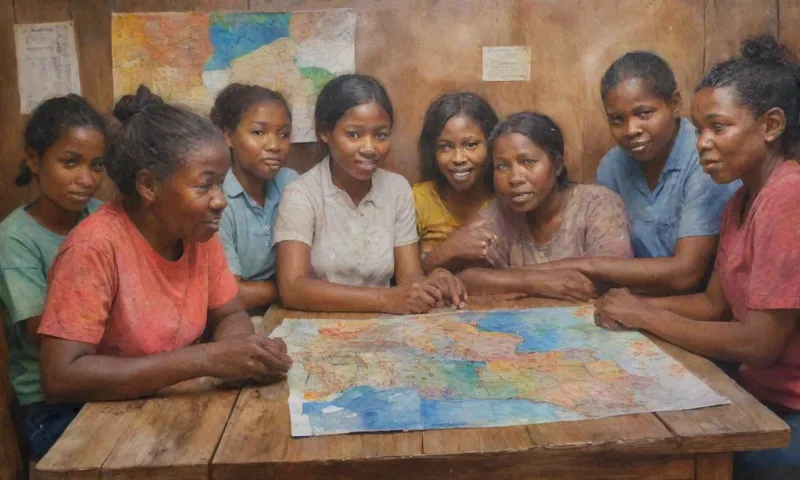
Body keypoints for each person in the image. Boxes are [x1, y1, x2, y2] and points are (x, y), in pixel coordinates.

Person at [36, 86, 292, 457]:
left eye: (221, 184)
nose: (220, 201)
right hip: (90, 421)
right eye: (205, 185)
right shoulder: (94, 247)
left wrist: (243, 354)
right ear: (148, 185)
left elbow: (231, 312)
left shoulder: (198, 234)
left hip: (168, 402)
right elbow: (61, 377)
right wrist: (205, 359)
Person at [593, 36, 800, 480]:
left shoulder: (789, 197)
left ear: (771, 124)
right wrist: (629, 307)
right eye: (699, 128)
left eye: (718, 127)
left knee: (657, 462)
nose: (702, 143)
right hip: (757, 393)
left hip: (790, 412)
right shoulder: (741, 200)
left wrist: (643, 315)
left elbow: (759, 345)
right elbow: (712, 306)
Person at [544, 51, 739, 294]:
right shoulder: (613, 166)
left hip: (693, 308)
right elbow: (609, 258)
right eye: (617, 119)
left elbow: (686, 274)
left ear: (675, 104)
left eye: (644, 113)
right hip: (632, 300)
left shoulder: (705, 159)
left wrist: (590, 266)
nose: (631, 129)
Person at [274, 74, 466, 313]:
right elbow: (293, 289)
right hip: (316, 326)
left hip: (383, 330)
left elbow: (409, 278)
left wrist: (434, 280)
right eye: (353, 134)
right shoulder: (302, 194)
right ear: (325, 132)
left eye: (380, 135)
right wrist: (384, 299)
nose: (369, 148)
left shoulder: (397, 189)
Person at [0, 95, 106, 459]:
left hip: (105, 378)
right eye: (70, 162)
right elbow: (41, 330)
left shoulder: (102, 216)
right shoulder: (15, 237)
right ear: (34, 159)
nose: (86, 179)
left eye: (97, 165)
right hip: (49, 404)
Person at [456, 112, 632, 300]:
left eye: (528, 162)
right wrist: (533, 282)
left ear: (557, 165)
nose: (515, 178)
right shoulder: (500, 212)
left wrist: (506, 281)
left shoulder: (597, 204)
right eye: (502, 166)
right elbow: (466, 278)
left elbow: (609, 275)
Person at [211, 83, 298, 314]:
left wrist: (302, 288)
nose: (274, 146)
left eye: (283, 134)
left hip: (289, 312)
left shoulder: (290, 184)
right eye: (258, 132)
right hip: (232, 319)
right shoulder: (217, 200)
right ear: (228, 136)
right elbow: (231, 294)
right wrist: (296, 288)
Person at [413, 92, 498, 274]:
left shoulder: (503, 200)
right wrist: (451, 248)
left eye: (471, 145)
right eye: (445, 147)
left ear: (491, 145)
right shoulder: (418, 200)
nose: (458, 158)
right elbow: (406, 276)